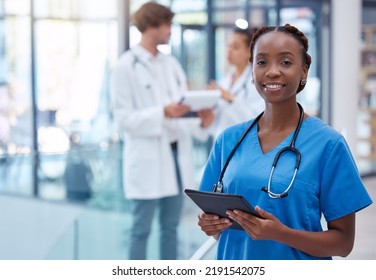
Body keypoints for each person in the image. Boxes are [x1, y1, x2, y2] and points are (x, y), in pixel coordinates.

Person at [197, 24, 373, 260]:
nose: (272, 72)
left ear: (304, 70)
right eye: (261, 62)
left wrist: (281, 234)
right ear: (252, 70)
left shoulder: (328, 145)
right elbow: (217, 223)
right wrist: (211, 225)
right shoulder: (228, 140)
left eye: (286, 62)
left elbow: (343, 244)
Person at [110, 2, 213, 260]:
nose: (170, 31)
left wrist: (201, 119)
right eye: (167, 25)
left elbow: (182, 108)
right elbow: (123, 119)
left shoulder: (171, 64)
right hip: (148, 161)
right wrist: (162, 112)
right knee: (140, 229)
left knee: (171, 228)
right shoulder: (125, 67)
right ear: (152, 26)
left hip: (177, 161)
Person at [207, 27, 264, 139]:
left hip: (243, 145)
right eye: (228, 45)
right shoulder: (224, 82)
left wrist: (229, 99)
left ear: (249, 51)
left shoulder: (257, 83)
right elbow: (216, 122)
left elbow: (258, 120)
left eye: (236, 47)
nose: (229, 50)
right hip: (222, 144)